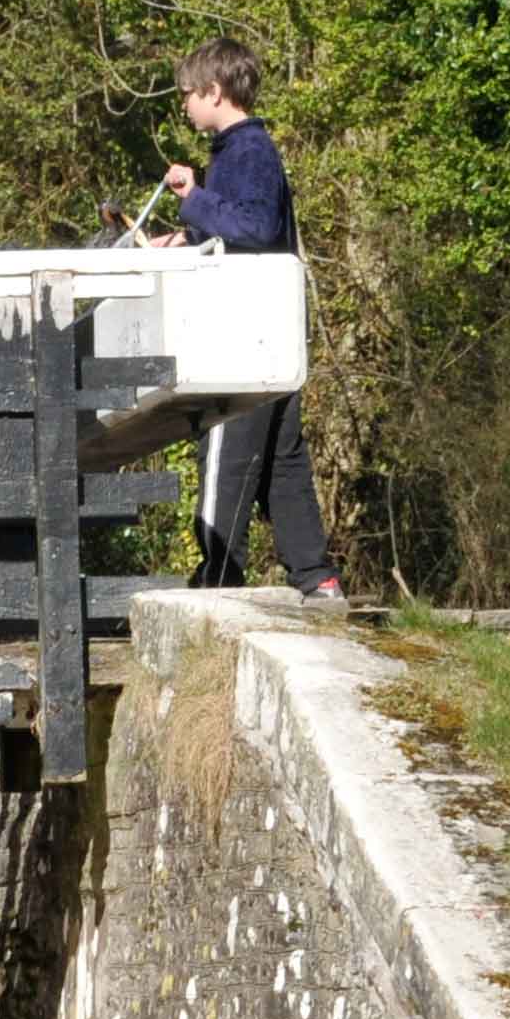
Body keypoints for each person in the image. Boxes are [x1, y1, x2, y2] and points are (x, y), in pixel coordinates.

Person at [146, 38, 341, 602]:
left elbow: (255, 228)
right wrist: (187, 235)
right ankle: (316, 578)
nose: (183, 105)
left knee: (226, 456)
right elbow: (242, 229)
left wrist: (193, 198)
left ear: (215, 91)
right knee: (283, 463)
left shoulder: (249, 151)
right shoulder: (240, 152)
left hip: (246, 339)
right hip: (271, 335)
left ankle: (217, 582)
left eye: (187, 94)